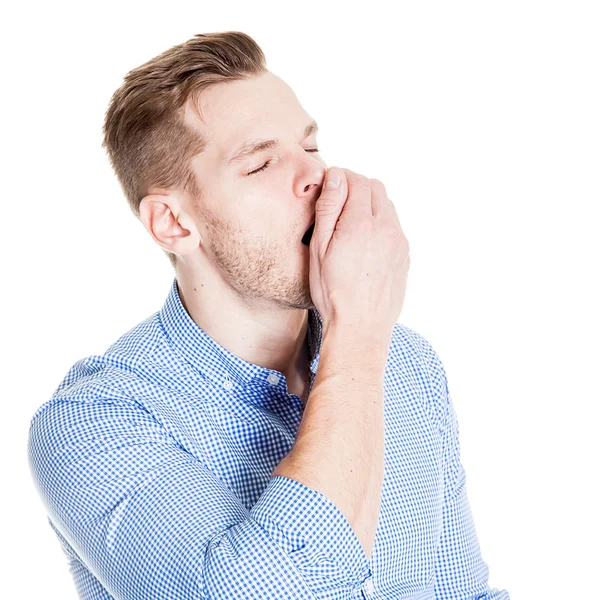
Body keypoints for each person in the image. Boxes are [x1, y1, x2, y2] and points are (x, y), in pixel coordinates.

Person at [27, 31, 510, 600]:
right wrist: (355, 341)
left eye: (310, 147)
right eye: (259, 164)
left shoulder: (407, 365)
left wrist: (364, 341)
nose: (316, 176)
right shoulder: (91, 424)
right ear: (173, 224)